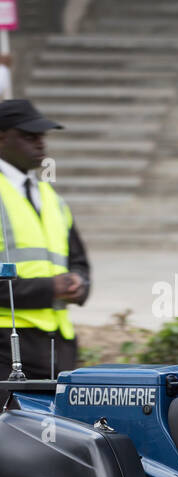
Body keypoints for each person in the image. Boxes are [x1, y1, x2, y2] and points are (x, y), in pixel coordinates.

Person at [0, 99, 90, 382]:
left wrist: (79, 283)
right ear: (1, 138)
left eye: (42, 136)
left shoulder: (50, 197)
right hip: (7, 347)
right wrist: (49, 287)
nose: (40, 143)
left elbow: (78, 261)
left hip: (57, 347)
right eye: (29, 136)